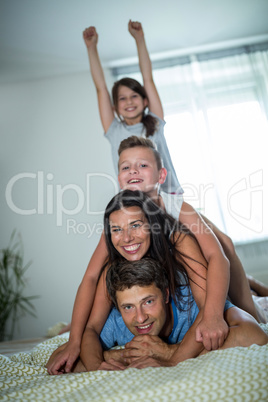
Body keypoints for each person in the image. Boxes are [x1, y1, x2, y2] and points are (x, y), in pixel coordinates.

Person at [47, 134, 261, 374]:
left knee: (225, 246)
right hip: (157, 279)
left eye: (143, 165)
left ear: (161, 176)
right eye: (126, 167)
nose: (133, 171)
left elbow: (217, 257)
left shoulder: (175, 211)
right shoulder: (120, 222)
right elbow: (90, 277)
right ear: (119, 178)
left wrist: (212, 315)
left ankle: (254, 302)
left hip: (191, 275)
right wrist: (76, 339)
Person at [83, 20, 182, 195]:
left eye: (134, 96)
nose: (129, 102)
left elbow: (148, 78)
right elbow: (100, 88)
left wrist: (140, 40)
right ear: (114, 107)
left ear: (145, 101)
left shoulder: (155, 123)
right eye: (122, 98)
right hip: (135, 199)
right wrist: (91, 48)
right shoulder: (114, 130)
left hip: (169, 194)